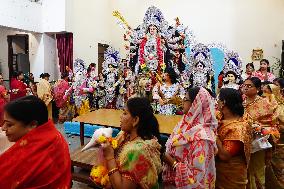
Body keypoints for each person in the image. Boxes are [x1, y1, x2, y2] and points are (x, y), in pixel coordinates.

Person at [0, 96, 71, 188]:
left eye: (9, 124)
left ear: (32, 124)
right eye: (4, 123)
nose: (3, 128)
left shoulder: (29, 156)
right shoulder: (53, 134)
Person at [101, 97, 162, 188]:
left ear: (135, 120)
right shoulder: (125, 136)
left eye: (125, 113)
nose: (121, 116)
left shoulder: (137, 150)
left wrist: (109, 157)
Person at [163, 87, 217, 188]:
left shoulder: (202, 137)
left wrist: (172, 162)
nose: (182, 102)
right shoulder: (185, 124)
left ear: (196, 103)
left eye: (186, 99)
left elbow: (196, 179)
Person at [242, 77, 279, 189]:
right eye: (244, 85)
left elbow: (271, 123)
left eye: (249, 86)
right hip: (243, 142)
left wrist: (256, 126)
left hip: (257, 143)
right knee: (245, 171)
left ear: (258, 89)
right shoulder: (241, 102)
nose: (246, 88)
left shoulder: (263, 103)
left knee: (257, 169)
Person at [215, 88, 252, 189]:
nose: (216, 101)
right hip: (216, 173)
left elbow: (224, 156)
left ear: (224, 102)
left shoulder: (239, 128)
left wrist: (214, 135)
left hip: (231, 176)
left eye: (218, 98)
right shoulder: (219, 117)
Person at [264, 78, 284, 188]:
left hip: (280, 143)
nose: (265, 95)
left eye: (267, 92)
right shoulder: (265, 105)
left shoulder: (280, 106)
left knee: (278, 169)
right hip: (268, 141)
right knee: (267, 168)